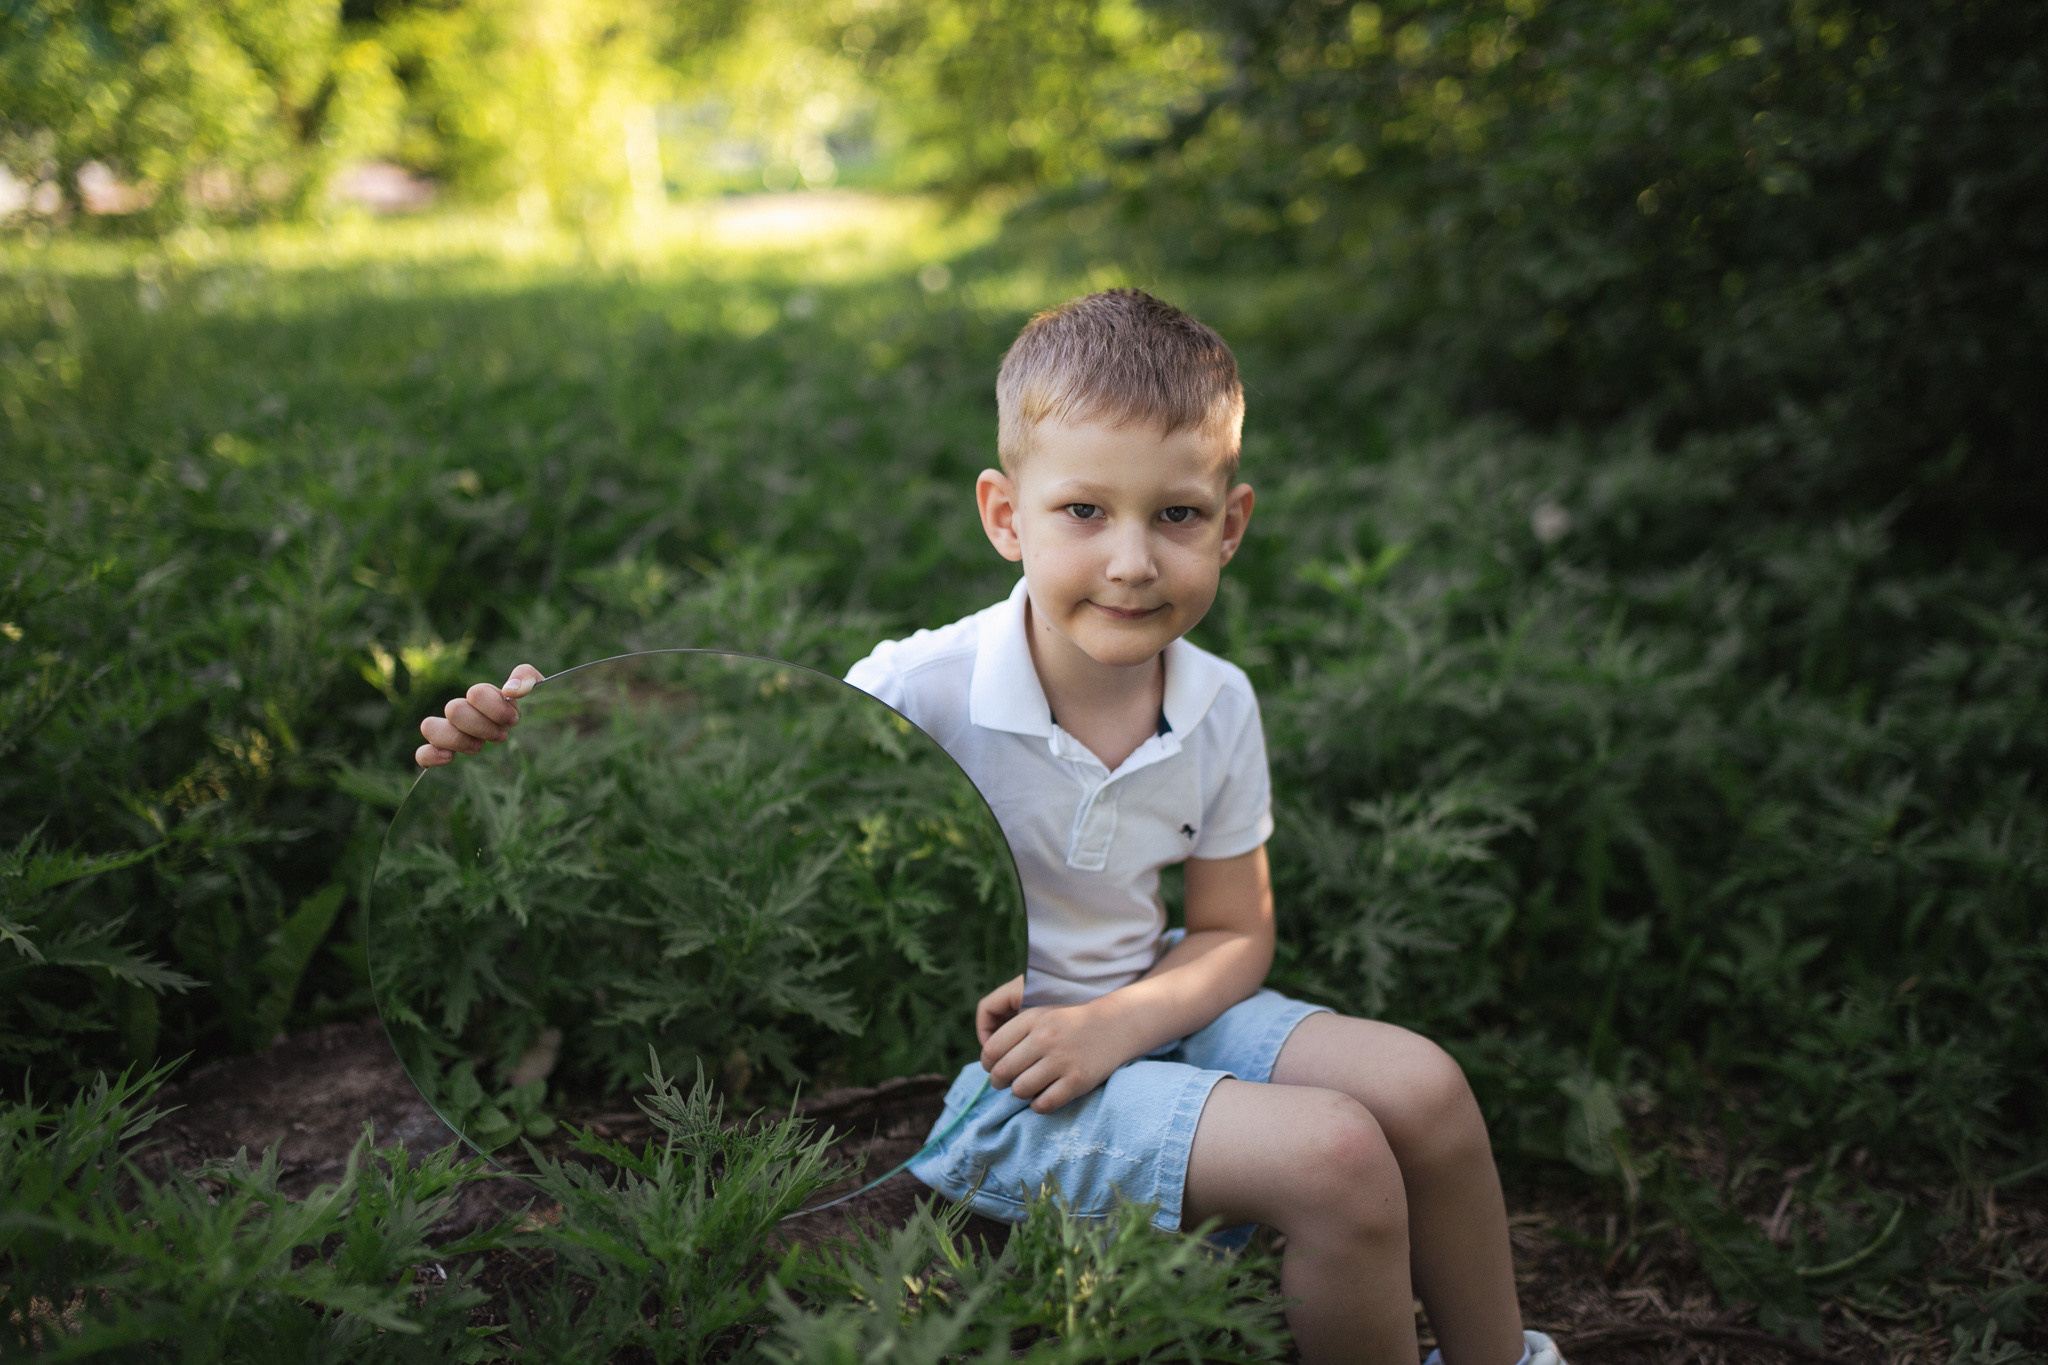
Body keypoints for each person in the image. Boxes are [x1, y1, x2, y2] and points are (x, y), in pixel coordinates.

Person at [416, 289, 1560, 1365]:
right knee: (1337, 1158)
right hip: (996, 1078)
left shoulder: (1217, 701)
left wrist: (1119, 1023)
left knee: (1422, 1089)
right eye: (1082, 512)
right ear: (1004, 516)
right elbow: (717, 794)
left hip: (1138, 1011)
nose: (1129, 560)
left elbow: (1231, 937)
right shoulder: (919, 689)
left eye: (1175, 515)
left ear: (1231, 524)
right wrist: (535, 741)